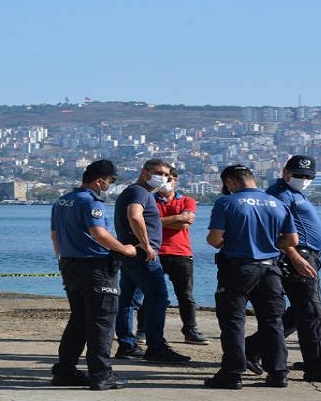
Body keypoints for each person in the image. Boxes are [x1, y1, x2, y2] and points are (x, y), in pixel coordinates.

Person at [243, 156, 321, 384]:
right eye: (299, 175)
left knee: (298, 311)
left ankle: (251, 347)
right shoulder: (280, 195)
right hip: (297, 256)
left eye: (308, 176)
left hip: (305, 256)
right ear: (285, 172)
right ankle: (317, 367)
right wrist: (295, 257)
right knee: (312, 312)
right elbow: (275, 230)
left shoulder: (293, 194)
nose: (304, 180)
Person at [204, 164, 298, 389]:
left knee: (234, 323)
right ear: (253, 180)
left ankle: (232, 373)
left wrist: (232, 243)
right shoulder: (278, 203)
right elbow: (292, 240)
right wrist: (269, 244)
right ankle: (278, 374)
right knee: (272, 323)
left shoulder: (226, 202)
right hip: (270, 270)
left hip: (238, 269)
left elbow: (214, 239)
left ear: (230, 183)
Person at [50, 159, 137, 390]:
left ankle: (65, 371)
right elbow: (99, 233)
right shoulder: (90, 202)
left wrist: (63, 265)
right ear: (99, 181)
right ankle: (101, 374)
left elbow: (55, 236)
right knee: (102, 322)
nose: (109, 185)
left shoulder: (62, 201)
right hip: (96, 269)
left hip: (71, 267)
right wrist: (124, 248)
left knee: (78, 321)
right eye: (109, 181)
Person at [113, 159, 191, 363]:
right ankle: (156, 346)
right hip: (142, 254)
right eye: (158, 173)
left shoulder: (136, 192)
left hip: (130, 254)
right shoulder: (140, 192)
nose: (163, 178)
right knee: (158, 297)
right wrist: (146, 244)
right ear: (144, 172)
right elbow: (134, 216)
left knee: (128, 301)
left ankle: (127, 346)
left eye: (166, 175)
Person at [154, 167, 209, 345]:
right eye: (161, 177)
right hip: (155, 252)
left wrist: (161, 221)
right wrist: (176, 218)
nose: (164, 181)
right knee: (151, 294)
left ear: (175, 180)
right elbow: (148, 222)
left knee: (186, 295)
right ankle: (144, 330)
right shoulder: (149, 200)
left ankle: (190, 330)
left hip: (181, 253)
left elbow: (184, 225)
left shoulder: (187, 200)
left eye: (168, 178)